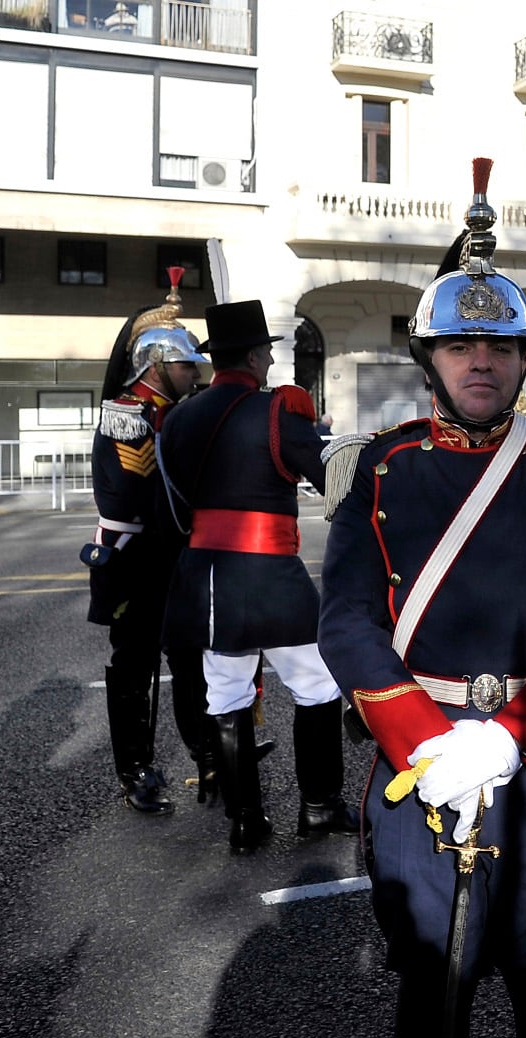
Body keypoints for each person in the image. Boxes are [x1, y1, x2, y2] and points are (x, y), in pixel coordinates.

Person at [320, 158, 526, 1038]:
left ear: (525, 360)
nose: (482, 363)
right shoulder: (376, 469)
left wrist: (516, 735)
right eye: (462, 348)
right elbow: (345, 620)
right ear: (431, 358)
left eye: (500, 350)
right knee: (434, 991)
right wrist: (425, 739)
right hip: (424, 764)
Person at [158, 298, 355, 852]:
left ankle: (246, 820)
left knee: (225, 694)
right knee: (316, 686)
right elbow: (328, 475)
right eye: (266, 352)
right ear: (252, 355)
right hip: (268, 573)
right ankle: (317, 809)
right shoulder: (276, 412)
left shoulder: (179, 417)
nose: (270, 362)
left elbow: (171, 507)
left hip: (206, 576)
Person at [82, 275, 211, 814]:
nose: (192, 374)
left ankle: (208, 752)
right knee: (135, 664)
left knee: (190, 659)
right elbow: (133, 495)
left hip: (173, 555)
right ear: (156, 362)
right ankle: (134, 767)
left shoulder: (172, 413)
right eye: (184, 366)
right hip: (136, 559)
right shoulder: (126, 415)